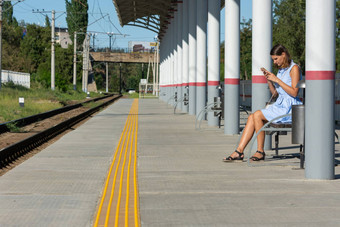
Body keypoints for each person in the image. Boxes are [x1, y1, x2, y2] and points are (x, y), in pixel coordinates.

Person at [223, 44, 302, 162]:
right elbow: (275, 94)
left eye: (276, 59)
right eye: (273, 60)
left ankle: (260, 151)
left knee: (258, 115)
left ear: (283, 55)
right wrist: (270, 81)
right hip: (280, 105)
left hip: (290, 108)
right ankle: (239, 151)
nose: (275, 62)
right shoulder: (281, 70)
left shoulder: (294, 68)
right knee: (252, 116)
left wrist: (277, 80)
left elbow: (295, 92)